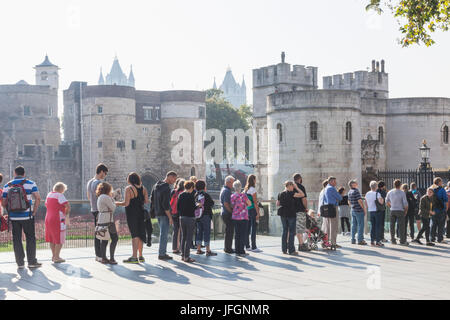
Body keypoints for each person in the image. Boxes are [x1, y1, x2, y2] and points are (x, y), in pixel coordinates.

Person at [2, 166, 42, 269]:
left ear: (15, 173)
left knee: (16, 239)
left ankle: (20, 263)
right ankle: (32, 262)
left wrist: (10, 209)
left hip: (14, 217)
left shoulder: (7, 185)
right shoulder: (30, 183)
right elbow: (38, 198)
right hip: (27, 216)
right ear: (24, 174)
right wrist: (34, 211)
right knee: (30, 238)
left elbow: (4, 202)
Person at [117, 173, 149, 263]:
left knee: (134, 235)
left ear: (130, 179)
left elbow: (126, 203)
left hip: (132, 214)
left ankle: (134, 257)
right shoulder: (144, 188)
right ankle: (141, 256)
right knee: (140, 234)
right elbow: (146, 201)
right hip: (141, 213)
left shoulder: (129, 188)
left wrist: (117, 203)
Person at [151, 171, 177, 260]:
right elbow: (166, 204)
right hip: (164, 213)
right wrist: (170, 217)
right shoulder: (166, 188)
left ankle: (162, 252)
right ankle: (162, 253)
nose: (174, 181)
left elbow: (152, 199)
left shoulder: (156, 185)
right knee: (164, 234)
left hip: (158, 213)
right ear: (169, 176)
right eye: (174, 178)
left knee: (163, 233)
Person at [87, 163, 108, 262]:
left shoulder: (90, 182)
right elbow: (100, 197)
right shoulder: (98, 183)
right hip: (99, 211)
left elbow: (89, 196)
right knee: (102, 233)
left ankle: (98, 255)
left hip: (93, 209)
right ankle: (100, 255)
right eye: (105, 173)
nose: (105, 176)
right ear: (102, 172)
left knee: (98, 233)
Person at [45, 182, 71, 263]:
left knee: (52, 237)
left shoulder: (49, 194)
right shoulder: (60, 195)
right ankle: (57, 257)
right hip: (58, 218)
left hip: (48, 218)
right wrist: (66, 213)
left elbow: (47, 205)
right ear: (61, 190)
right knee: (60, 237)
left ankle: (54, 256)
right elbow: (67, 206)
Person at [277, 181, 304, 255]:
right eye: (292, 186)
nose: (293, 187)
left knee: (285, 231)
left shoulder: (280, 194)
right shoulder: (292, 193)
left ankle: (284, 249)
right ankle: (291, 250)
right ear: (289, 186)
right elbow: (302, 194)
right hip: (291, 214)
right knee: (292, 232)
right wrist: (297, 188)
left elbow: (277, 204)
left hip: (283, 214)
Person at [97, 182, 119, 264]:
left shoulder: (100, 197)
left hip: (102, 219)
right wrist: (113, 200)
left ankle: (104, 258)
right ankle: (112, 258)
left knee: (104, 239)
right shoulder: (106, 197)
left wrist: (112, 198)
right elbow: (113, 208)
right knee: (115, 238)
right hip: (108, 220)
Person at [177, 181, 198, 263]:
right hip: (190, 218)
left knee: (183, 237)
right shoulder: (191, 196)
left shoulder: (181, 195)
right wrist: (198, 205)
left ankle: (183, 255)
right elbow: (193, 207)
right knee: (189, 238)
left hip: (182, 217)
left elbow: (178, 207)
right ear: (192, 187)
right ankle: (187, 256)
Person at [194, 180, 217, 256]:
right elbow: (212, 203)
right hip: (206, 215)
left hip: (198, 216)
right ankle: (208, 250)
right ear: (204, 187)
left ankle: (198, 249)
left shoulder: (195, 195)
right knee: (206, 232)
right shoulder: (206, 195)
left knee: (199, 232)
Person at [231, 180, 252, 257]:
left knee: (237, 234)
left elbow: (232, 206)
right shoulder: (244, 196)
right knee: (243, 234)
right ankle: (242, 251)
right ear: (240, 187)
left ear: (234, 187)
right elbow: (249, 204)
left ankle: (237, 250)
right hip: (243, 217)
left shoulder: (233, 196)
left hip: (235, 217)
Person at [321, 176, 342, 248]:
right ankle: (333, 243)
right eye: (334, 181)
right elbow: (340, 197)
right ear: (330, 181)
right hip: (333, 208)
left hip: (326, 208)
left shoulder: (325, 189)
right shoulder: (332, 188)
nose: (336, 183)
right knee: (334, 226)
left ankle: (325, 242)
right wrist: (336, 199)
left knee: (327, 227)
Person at [386, 179, 409, 245]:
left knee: (392, 226)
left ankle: (393, 240)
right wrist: (405, 211)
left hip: (392, 210)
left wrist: (390, 206)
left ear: (394, 185)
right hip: (400, 210)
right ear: (400, 185)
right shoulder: (402, 192)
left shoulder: (390, 192)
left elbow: (386, 201)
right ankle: (402, 240)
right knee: (401, 226)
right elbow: (405, 203)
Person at [244, 174, 262, 252]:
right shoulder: (253, 189)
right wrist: (258, 213)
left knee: (247, 229)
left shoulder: (245, 190)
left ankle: (247, 246)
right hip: (252, 210)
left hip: (247, 210)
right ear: (253, 180)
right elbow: (255, 202)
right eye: (255, 179)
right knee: (253, 228)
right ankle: (254, 246)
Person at [364, 181, 384, 246]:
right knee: (378, 226)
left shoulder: (367, 194)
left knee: (372, 226)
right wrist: (382, 199)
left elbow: (366, 203)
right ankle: (378, 241)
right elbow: (381, 202)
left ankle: (372, 241)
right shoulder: (377, 194)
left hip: (371, 211)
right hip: (377, 211)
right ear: (376, 187)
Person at [292, 173, 309, 252]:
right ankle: (301, 245)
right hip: (300, 209)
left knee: (292, 228)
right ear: (300, 179)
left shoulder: (290, 187)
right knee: (300, 228)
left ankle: (290, 244)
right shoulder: (301, 187)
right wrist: (306, 208)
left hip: (291, 210)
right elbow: (304, 199)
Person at [348, 180, 367, 245]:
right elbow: (360, 201)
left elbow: (349, 202)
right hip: (359, 210)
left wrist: (352, 207)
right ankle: (360, 240)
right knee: (360, 225)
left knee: (353, 225)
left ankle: (353, 239)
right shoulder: (356, 191)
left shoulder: (349, 192)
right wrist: (364, 209)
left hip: (353, 210)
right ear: (352, 184)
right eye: (355, 182)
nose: (357, 183)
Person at [430, 177, 448, 243]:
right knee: (441, 225)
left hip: (433, 209)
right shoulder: (442, 190)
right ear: (439, 182)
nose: (442, 183)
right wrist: (446, 209)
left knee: (433, 224)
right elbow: (446, 200)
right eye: (441, 181)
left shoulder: (431, 189)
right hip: (441, 209)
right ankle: (440, 239)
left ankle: (432, 238)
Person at [220, 176, 235, 254]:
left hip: (224, 212)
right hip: (227, 213)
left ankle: (227, 247)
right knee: (229, 231)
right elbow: (226, 203)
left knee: (228, 231)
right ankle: (228, 248)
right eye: (232, 182)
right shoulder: (227, 191)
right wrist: (231, 211)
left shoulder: (224, 189)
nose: (233, 184)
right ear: (228, 182)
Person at [170, 178, 185, 254]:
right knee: (182, 231)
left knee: (175, 230)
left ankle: (174, 248)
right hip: (180, 213)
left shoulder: (173, 191)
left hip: (173, 213)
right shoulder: (184, 193)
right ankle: (181, 248)